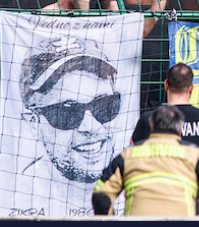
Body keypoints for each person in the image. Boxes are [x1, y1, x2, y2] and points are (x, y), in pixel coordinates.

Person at [17, 36, 123, 200]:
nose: (90, 127)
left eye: (104, 106)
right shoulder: (22, 195)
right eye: (67, 112)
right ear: (34, 122)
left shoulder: (136, 184)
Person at [130, 63, 199, 215]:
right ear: (191, 88)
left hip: (160, 201)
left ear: (166, 85)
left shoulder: (149, 119)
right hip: (197, 200)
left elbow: (133, 154)